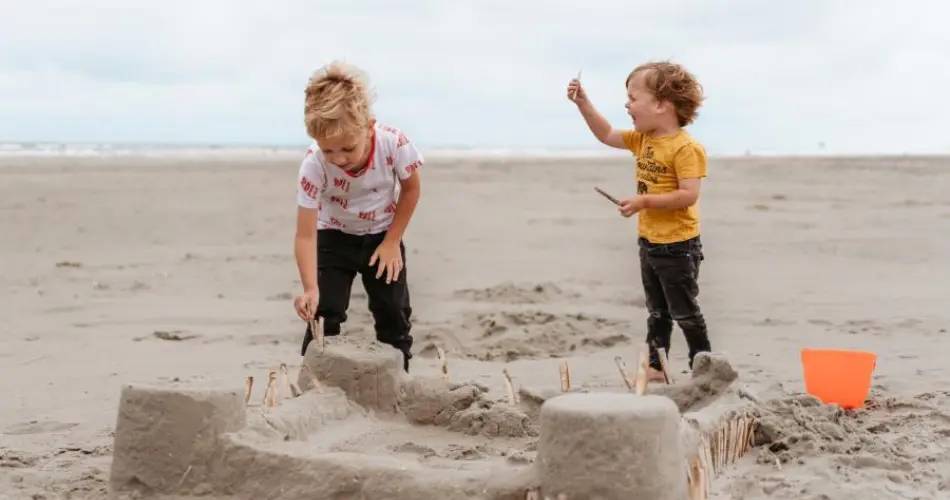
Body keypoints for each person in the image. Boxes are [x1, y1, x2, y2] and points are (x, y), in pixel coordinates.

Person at [567, 60, 711, 381]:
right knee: (657, 311)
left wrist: (643, 201)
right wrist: (583, 103)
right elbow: (606, 134)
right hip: (649, 242)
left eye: (633, 98)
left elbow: (688, 195)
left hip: (678, 246)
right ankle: (657, 368)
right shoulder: (642, 140)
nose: (627, 105)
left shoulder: (686, 148)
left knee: (684, 312)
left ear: (662, 105)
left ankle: (705, 368)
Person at [292, 61, 423, 372]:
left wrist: (392, 241)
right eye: (328, 151)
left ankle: (399, 377)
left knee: (393, 311)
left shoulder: (394, 143)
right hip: (333, 237)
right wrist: (310, 288)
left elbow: (411, 190)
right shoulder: (313, 165)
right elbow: (305, 235)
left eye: (348, 148)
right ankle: (315, 379)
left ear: (369, 126)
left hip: (383, 236)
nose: (338, 159)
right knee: (324, 311)